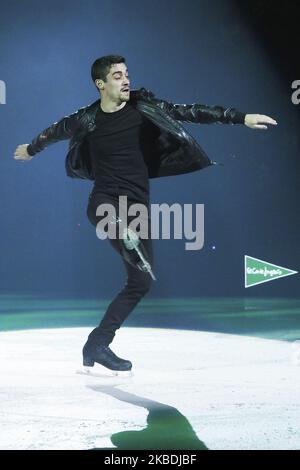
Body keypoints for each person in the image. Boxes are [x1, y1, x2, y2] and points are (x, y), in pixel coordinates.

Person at [13, 54, 277, 375]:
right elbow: (54, 131)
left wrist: (241, 117)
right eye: (117, 76)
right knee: (115, 223)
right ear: (100, 84)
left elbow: (191, 112)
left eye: (127, 74)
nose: (126, 80)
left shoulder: (143, 107)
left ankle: (97, 343)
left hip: (137, 209)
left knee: (140, 282)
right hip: (104, 202)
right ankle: (124, 233)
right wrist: (30, 149)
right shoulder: (87, 119)